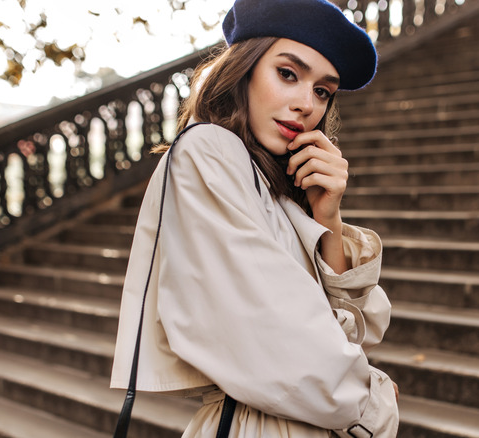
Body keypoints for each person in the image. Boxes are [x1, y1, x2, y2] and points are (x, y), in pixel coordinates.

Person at [111, 0, 399, 436]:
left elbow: (347, 336)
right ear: (243, 69)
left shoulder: (277, 188)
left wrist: (329, 218)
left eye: (322, 90)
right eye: (288, 74)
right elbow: (272, 336)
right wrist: (371, 403)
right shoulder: (208, 150)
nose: (307, 104)